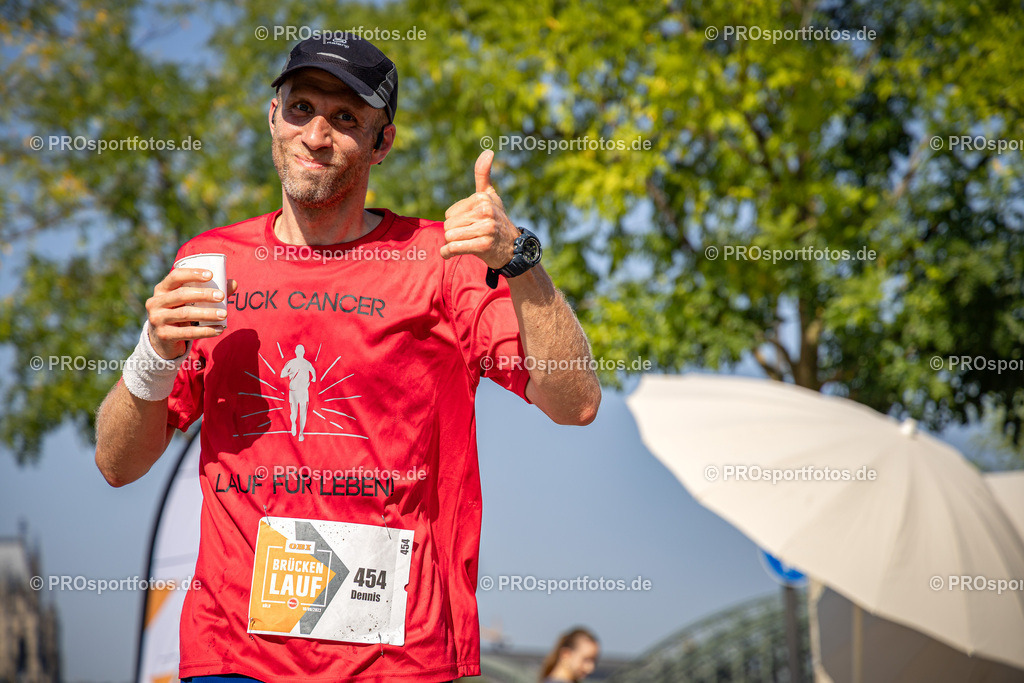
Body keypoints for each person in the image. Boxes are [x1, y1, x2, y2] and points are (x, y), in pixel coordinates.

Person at [95, 33, 601, 683]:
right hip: (236, 653)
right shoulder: (210, 261)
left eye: (345, 119)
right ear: (271, 116)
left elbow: (576, 401)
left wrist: (521, 261)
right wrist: (154, 351)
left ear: (381, 144)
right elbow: (117, 462)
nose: (316, 134)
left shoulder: (442, 262)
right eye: (301, 107)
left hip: (399, 657)